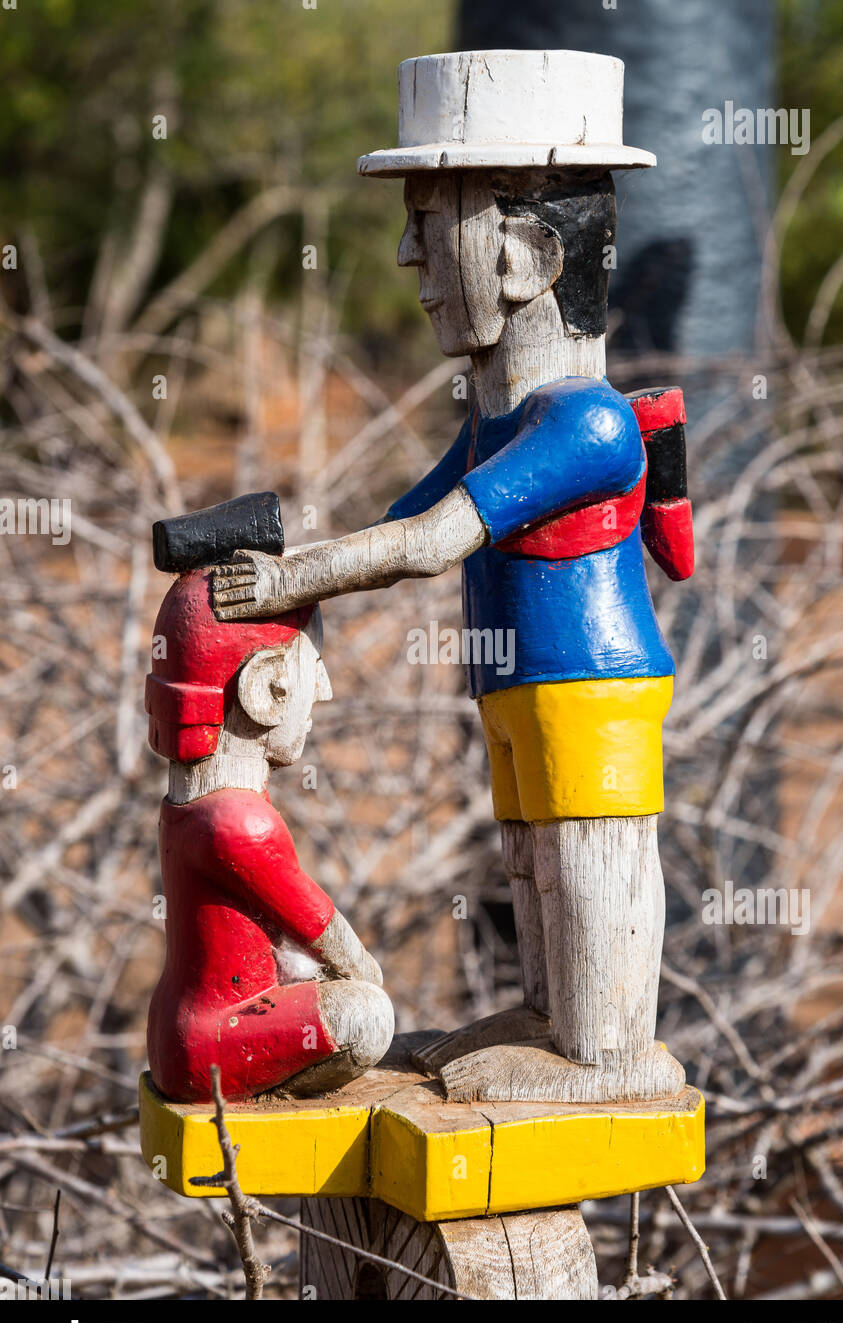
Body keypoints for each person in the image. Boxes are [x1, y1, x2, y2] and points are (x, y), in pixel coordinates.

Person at [211, 52, 693, 1103]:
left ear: (527, 255)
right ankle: (548, 1013)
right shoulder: (496, 418)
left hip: (590, 679)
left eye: (432, 228)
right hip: (525, 679)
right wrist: (306, 582)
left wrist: (302, 575)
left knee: (586, 851)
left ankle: (604, 1049)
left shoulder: (587, 420)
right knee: (527, 852)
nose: (406, 257)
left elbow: (432, 540)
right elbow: (394, 525)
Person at [145, 571, 393, 1103]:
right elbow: (327, 932)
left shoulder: (194, 804)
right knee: (367, 1015)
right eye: (314, 666)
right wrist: (369, 977)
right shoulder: (241, 822)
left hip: (183, 1031)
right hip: (214, 1039)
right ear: (266, 688)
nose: (322, 691)